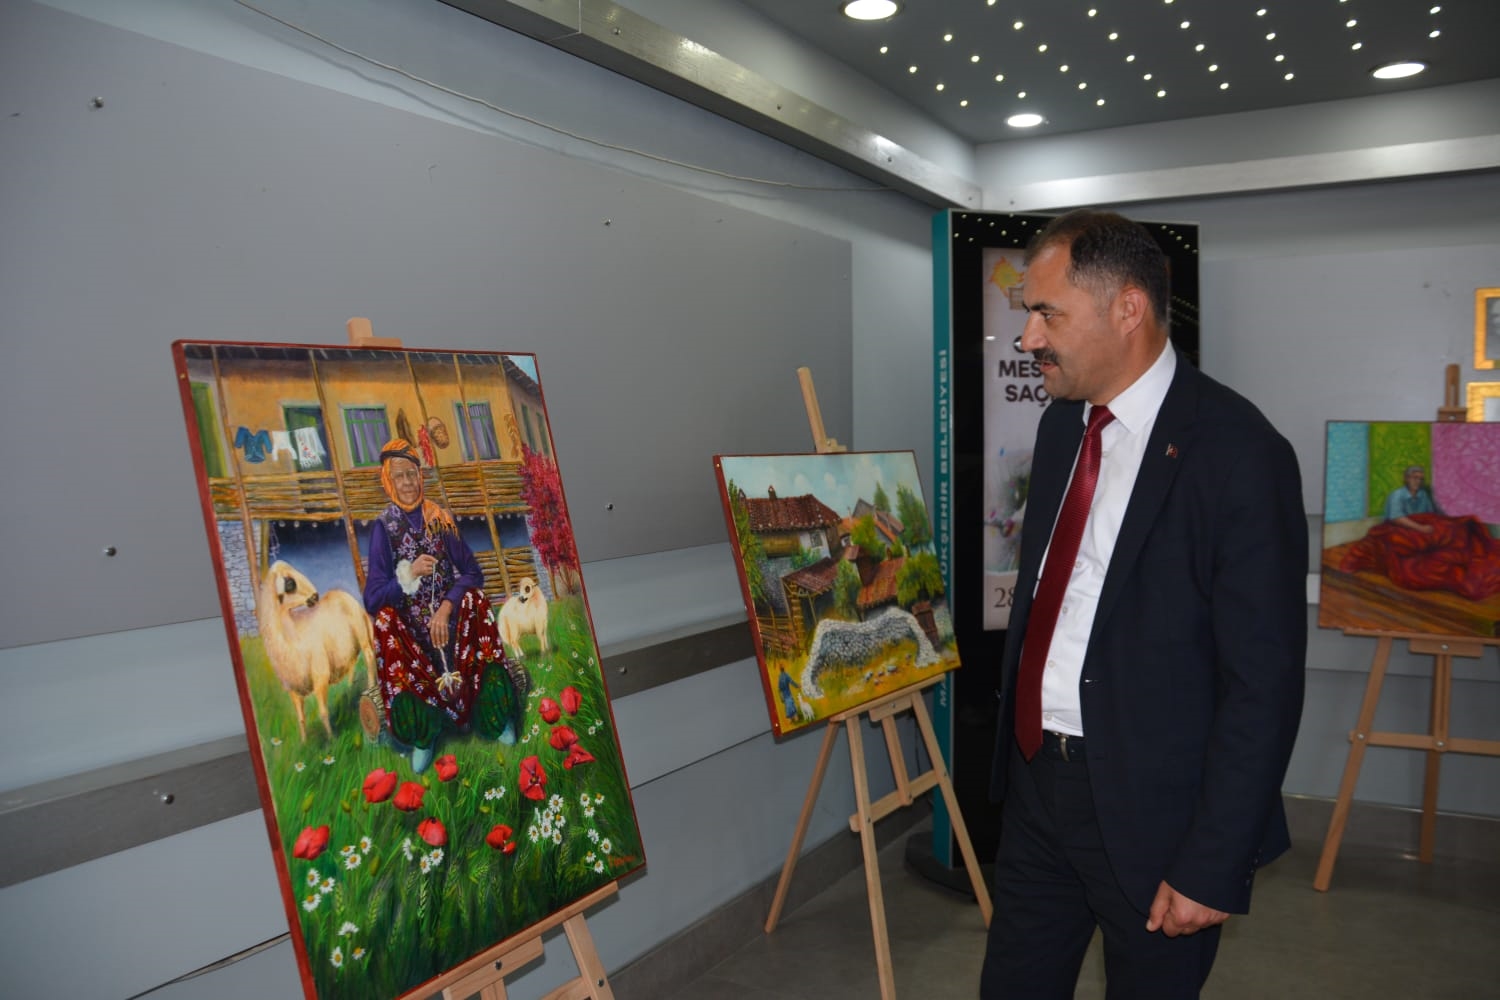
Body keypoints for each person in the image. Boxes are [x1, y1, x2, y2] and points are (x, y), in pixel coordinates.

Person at [980, 210, 1306, 998]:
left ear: (1127, 308)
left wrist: (1212, 863)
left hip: (1160, 817)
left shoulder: (1240, 452)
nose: (1027, 338)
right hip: (1038, 789)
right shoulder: (1062, 429)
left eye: (1047, 313)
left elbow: (1263, 683)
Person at [363, 439, 526, 772]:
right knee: (384, 620)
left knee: (476, 600)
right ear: (388, 481)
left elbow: (473, 573)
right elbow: (372, 598)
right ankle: (423, 735)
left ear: (420, 475)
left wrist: (448, 606)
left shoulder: (439, 518)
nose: (407, 483)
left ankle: (494, 716)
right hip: (414, 645)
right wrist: (408, 574)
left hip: (455, 631)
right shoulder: (384, 528)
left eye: (412, 474)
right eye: (399, 476)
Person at [1383, 465, 1439, 532]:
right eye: (1415, 478)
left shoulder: (1423, 494)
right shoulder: (1397, 495)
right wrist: (1421, 528)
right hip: (1399, 528)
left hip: (1418, 526)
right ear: (1407, 479)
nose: (1419, 481)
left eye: (1421, 479)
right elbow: (1396, 518)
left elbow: (1430, 514)